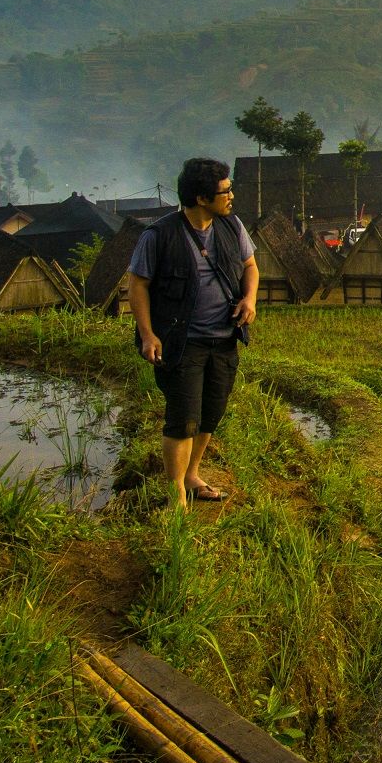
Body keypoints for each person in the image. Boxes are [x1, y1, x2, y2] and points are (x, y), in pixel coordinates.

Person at [123, 157, 260, 505]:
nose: (231, 197)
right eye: (224, 191)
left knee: (211, 413)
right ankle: (176, 494)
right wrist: (149, 334)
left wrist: (249, 300)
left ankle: (192, 474)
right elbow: (137, 285)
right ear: (201, 198)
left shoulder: (231, 226)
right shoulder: (159, 235)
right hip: (182, 342)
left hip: (224, 338)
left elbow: (250, 267)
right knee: (183, 417)